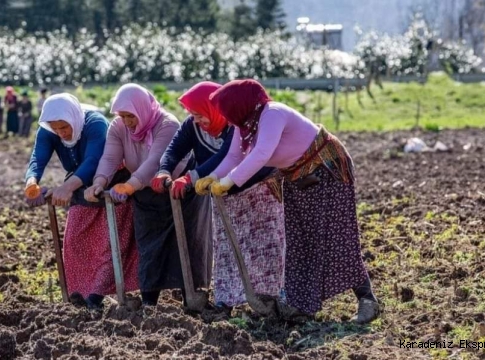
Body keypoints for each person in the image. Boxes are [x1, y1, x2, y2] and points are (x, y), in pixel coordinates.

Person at [195, 79, 379, 324]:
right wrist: (213, 177)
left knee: (336, 236)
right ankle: (302, 307)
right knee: (298, 239)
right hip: (296, 177)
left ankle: (367, 300)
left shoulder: (273, 114)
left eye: (227, 111)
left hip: (326, 170)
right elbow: (234, 155)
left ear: (239, 105)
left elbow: (262, 153)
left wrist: (230, 181)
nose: (226, 118)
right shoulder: (245, 124)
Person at [153, 81, 285, 309]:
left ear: (213, 109)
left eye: (200, 114)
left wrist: (191, 177)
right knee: (226, 250)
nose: (197, 120)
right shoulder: (192, 126)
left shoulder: (234, 124)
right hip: (222, 192)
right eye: (193, 114)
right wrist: (164, 170)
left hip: (256, 191)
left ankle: (269, 298)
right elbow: (174, 149)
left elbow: (225, 158)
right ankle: (228, 299)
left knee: (263, 246)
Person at [84, 83, 211, 306]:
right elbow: (110, 158)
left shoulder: (167, 124)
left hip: (179, 190)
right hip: (146, 194)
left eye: (130, 116)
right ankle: (150, 302)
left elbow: (157, 162)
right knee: (149, 246)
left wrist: (130, 185)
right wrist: (99, 181)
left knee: (188, 243)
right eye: (122, 116)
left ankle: (191, 298)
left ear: (142, 109)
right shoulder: (118, 127)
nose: (126, 122)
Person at [24, 93, 139, 309]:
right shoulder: (49, 130)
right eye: (56, 129)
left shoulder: (95, 124)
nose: (61, 133)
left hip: (110, 181)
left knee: (110, 243)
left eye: (64, 127)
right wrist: (32, 182)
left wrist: (67, 187)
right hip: (79, 183)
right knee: (75, 239)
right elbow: (37, 158)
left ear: (73, 119)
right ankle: (80, 295)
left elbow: (93, 160)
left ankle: (96, 297)